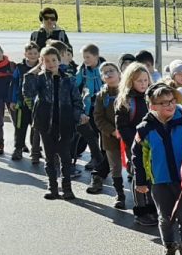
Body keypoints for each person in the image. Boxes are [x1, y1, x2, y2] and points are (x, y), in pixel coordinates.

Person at [132, 82, 182, 255]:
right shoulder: (144, 129)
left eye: (171, 101)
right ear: (152, 106)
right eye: (163, 103)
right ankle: (169, 248)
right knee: (165, 217)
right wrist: (141, 180)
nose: (169, 105)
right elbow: (137, 156)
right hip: (159, 180)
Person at [24, 46, 83, 200]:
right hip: (45, 123)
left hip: (65, 123)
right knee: (49, 157)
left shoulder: (68, 79)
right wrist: (34, 71)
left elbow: (77, 101)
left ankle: (67, 188)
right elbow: (28, 92)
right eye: (46, 60)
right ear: (42, 62)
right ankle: (52, 187)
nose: (51, 63)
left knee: (65, 156)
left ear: (59, 61)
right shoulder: (40, 79)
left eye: (54, 60)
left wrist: (77, 116)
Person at [115, 63, 158, 227]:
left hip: (153, 145)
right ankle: (141, 211)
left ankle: (152, 207)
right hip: (135, 147)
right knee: (139, 179)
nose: (143, 83)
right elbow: (122, 126)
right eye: (139, 80)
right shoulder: (126, 101)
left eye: (145, 80)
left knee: (152, 178)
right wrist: (136, 142)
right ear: (130, 81)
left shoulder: (152, 97)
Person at [92, 62, 126, 208]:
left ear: (119, 73)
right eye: (105, 72)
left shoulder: (127, 92)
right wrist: (112, 131)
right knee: (115, 167)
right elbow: (98, 118)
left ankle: (142, 196)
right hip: (110, 138)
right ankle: (120, 195)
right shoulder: (101, 95)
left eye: (111, 70)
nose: (109, 74)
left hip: (129, 136)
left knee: (134, 167)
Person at [74, 44, 106, 185]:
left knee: (103, 134)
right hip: (89, 107)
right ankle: (95, 157)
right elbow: (76, 83)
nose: (85, 60)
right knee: (92, 134)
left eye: (88, 57)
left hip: (103, 107)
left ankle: (103, 160)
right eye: (84, 57)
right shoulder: (83, 69)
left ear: (96, 57)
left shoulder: (104, 68)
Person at [10, 42, 41, 162]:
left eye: (35, 53)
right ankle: (18, 148)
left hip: (37, 104)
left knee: (36, 127)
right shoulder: (19, 67)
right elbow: (14, 84)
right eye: (30, 53)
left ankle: (35, 150)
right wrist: (13, 100)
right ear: (25, 54)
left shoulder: (42, 67)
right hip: (22, 103)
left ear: (39, 54)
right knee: (20, 127)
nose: (32, 55)